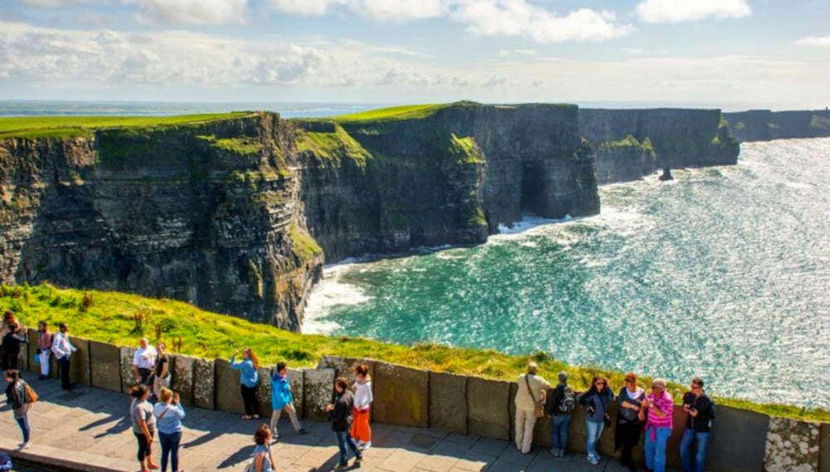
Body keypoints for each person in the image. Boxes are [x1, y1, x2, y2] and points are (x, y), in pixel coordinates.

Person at [679, 377, 715, 472]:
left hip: (702, 430)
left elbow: (712, 415)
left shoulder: (707, 400)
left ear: (700, 388)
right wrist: (685, 407)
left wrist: (698, 414)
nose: (692, 389)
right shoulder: (688, 395)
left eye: (694, 387)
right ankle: (686, 469)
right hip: (690, 427)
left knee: (700, 455)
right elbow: (685, 404)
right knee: (683, 449)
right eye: (691, 386)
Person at [514, 362, 551, 454]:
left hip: (520, 403)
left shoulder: (521, 376)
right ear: (536, 370)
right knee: (528, 427)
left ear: (527, 369)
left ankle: (518, 444)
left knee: (518, 423)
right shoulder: (539, 379)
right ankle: (525, 448)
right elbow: (548, 386)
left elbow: (518, 382)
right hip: (531, 406)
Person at [326, 377, 362, 470]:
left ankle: (344, 463)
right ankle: (359, 455)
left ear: (339, 387)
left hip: (341, 425)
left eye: (336, 385)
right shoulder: (349, 394)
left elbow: (336, 417)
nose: (335, 387)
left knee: (342, 445)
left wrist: (329, 410)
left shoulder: (341, 401)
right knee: (350, 439)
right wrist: (335, 407)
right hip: (348, 421)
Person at [578, 376, 614, 465]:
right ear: (594, 384)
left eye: (603, 383)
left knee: (597, 438)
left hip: (601, 419)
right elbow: (579, 398)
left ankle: (593, 451)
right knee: (591, 438)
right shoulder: (591, 393)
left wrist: (608, 387)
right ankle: (590, 455)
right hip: (591, 419)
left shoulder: (605, 393)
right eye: (598, 383)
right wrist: (588, 406)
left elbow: (612, 398)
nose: (601, 385)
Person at [639, 378, 674, 472]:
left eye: (654, 387)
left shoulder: (667, 399)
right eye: (651, 386)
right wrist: (641, 411)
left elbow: (662, 415)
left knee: (659, 452)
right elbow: (645, 402)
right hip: (651, 426)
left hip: (662, 429)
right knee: (648, 448)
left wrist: (652, 405)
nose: (651, 388)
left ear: (661, 388)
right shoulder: (652, 394)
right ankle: (649, 467)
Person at [269, 361, 307, 441]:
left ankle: (299, 428)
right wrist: (287, 404)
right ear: (281, 370)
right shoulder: (277, 381)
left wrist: (288, 387)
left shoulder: (282, 377)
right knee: (275, 417)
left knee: (292, 413)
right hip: (279, 402)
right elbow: (279, 395)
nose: (287, 370)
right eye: (285, 368)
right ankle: (272, 432)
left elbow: (284, 387)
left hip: (287, 399)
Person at [615, 373, 645, 471]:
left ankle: (625, 459)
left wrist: (641, 411)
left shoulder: (641, 392)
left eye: (629, 380)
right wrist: (633, 406)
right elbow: (621, 402)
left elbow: (643, 405)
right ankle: (626, 460)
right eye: (626, 380)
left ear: (634, 381)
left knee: (633, 441)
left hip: (635, 421)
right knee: (626, 441)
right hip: (624, 419)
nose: (627, 382)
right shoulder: (623, 390)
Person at [153, 387, 185, 472]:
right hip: (175, 432)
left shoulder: (156, 406)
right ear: (170, 398)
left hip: (162, 432)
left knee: (164, 452)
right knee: (174, 452)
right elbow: (182, 415)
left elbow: (155, 415)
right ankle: (175, 470)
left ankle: (163, 470)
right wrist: (178, 403)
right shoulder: (173, 409)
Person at [129, 384, 159, 472]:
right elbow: (142, 423)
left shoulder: (141, 401)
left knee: (148, 446)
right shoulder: (139, 407)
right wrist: (148, 436)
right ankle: (143, 467)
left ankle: (150, 462)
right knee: (143, 448)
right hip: (142, 431)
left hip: (149, 428)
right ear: (143, 394)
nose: (149, 393)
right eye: (147, 392)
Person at [546, 371, 575, 457]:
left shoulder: (557, 389)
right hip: (567, 414)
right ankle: (563, 450)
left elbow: (553, 403)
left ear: (559, 379)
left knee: (555, 432)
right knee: (564, 432)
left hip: (558, 414)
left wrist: (549, 413)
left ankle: (555, 449)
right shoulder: (569, 388)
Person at [4, 369, 34, 450]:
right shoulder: (21, 381)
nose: (5, 378)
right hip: (25, 405)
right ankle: (26, 441)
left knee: (23, 425)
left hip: (19, 409)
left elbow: (17, 400)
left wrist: (10, 403)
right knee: (25, 424)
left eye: (7, 377)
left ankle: (26, 442)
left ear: (11, 378)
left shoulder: (13, 388)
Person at [231, 348, 260, 420]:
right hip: (253, 383)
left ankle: (248, 415)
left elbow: (233, 366)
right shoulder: (253, 362)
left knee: (246, 400)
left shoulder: (245, 363)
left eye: (244, 353)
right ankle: (256, 414)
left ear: (248, 354)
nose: (242, 355)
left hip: (246, 384)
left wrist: (234, 356)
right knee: (253, 399)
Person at [351, 364, 373, 451]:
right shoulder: (358, 379)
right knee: (357, 423)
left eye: (357, 372)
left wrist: (362, 405)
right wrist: (354, 386)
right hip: (356, 404)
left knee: (364, 425)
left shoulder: (367, 384)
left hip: (363, 408)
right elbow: (356, 384)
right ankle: (361, 439)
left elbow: (370, 398)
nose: (356, 374)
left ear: (361, 374)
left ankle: (367, 441)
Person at [51, 323, 77, 390]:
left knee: (67, 370)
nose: (67, 328)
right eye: (66, 327)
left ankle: (67, 383)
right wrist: (63, 354)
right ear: (62, 328)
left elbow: (67, 343)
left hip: (67, 355)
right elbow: (54, 347)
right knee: (64, 371)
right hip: (63, 357)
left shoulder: (65, 334)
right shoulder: (58, 336)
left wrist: (73, 349)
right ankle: (65, 385)